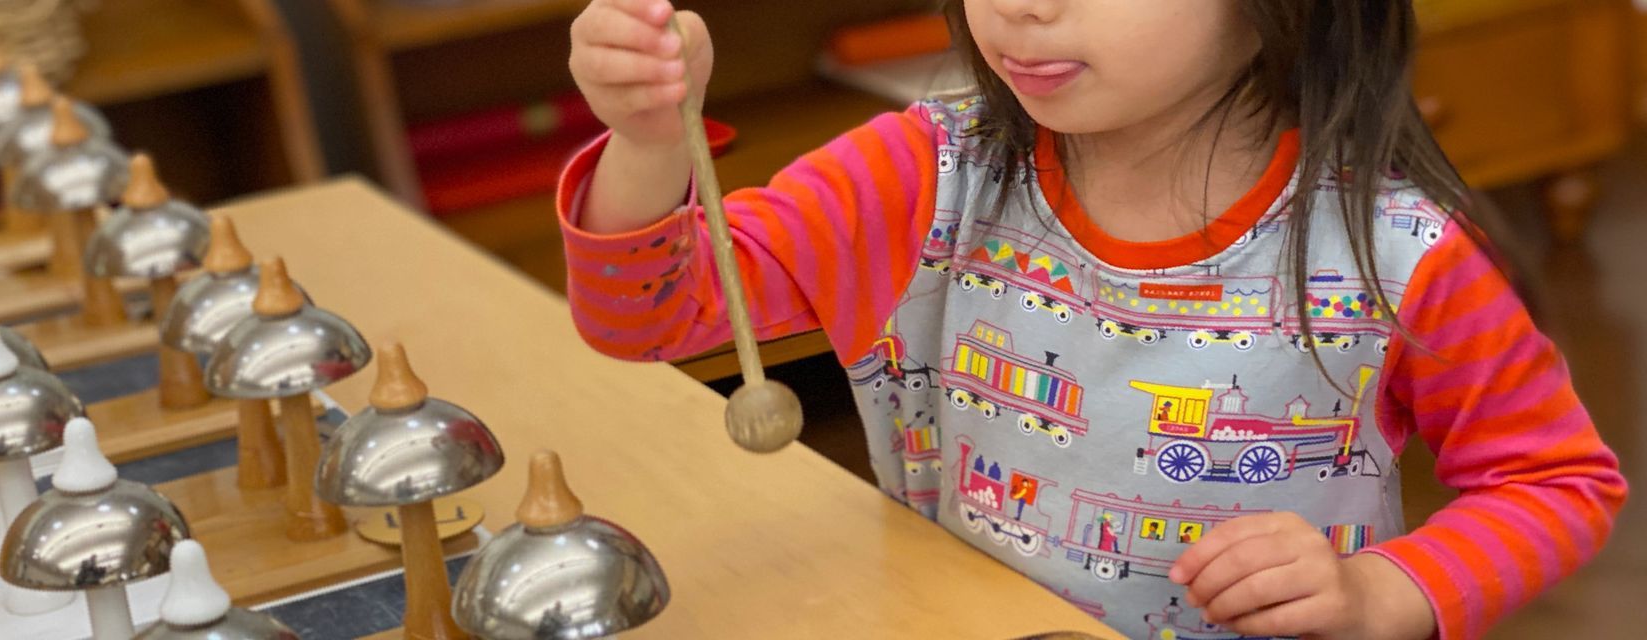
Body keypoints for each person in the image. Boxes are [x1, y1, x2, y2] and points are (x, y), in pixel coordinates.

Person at [559, 1, 1628, 638]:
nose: (1022, 6)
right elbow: (647, 315)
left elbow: (1555, 481)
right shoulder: (922, 174)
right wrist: (650, 138)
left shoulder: (1394, 251)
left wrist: (1378, 593)